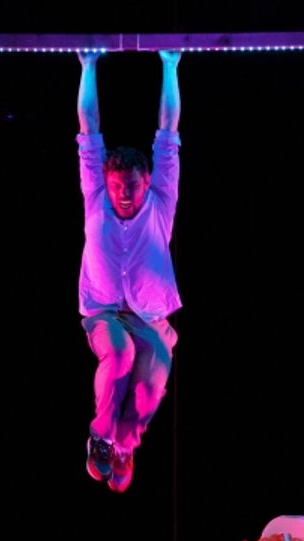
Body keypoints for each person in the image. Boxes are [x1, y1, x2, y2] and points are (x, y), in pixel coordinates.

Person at [75, 49, 182, 493]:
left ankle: (124, 444)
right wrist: (88, 67)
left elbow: (168, 133)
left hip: (151, 317)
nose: (123, 194)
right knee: (118, 355)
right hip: (104, 311)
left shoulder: (161, 201)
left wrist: (170, 66)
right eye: (117, 186)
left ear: (147, 182)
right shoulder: (95, 194)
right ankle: (101, 438)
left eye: (132, 187)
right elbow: (89, 130)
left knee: (151, 385)